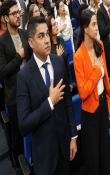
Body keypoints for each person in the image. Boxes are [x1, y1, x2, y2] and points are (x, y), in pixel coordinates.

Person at [17, 16, 77, 175]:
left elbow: (68, 104)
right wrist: (50, 102)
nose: (47, 40)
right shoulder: (24, 77)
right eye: (41, 36)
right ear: (31, 42)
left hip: (64, 147)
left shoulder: (58, 62)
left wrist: (73, 137)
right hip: (44, 155)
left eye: (47, 35)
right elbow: (23, 125)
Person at [74, 10, 110, 175]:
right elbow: (83, 92)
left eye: (97, 24)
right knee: (92, 158)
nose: (97, 28)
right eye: (94, 25)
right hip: (89, 113)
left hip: (102, 105)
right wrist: (96, 70)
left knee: (104, 152)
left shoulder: (100, 45)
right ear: (85, 28)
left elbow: (106, 79)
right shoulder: (78, 56)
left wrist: (108, 103)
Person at [0, 0, 30, 171]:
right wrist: (19, 56)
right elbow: (2, 72)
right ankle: (19, 167)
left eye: (19, 12)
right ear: (6, 18)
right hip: (15, 95)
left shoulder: (24, 34)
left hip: (30, 91)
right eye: (14, 13)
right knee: (18, 135)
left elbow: (31, 60)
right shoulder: (2, 41)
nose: (18, 16)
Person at [46, 16, 73, 92]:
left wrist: (70, 81)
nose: (56, 26)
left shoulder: (60, 40)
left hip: (65, 79)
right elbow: (51, 67)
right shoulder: (48, 46)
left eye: (56, 23)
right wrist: (58, 57)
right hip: (56, 84)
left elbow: (66, 62)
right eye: (54, 25)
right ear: (49, 29)